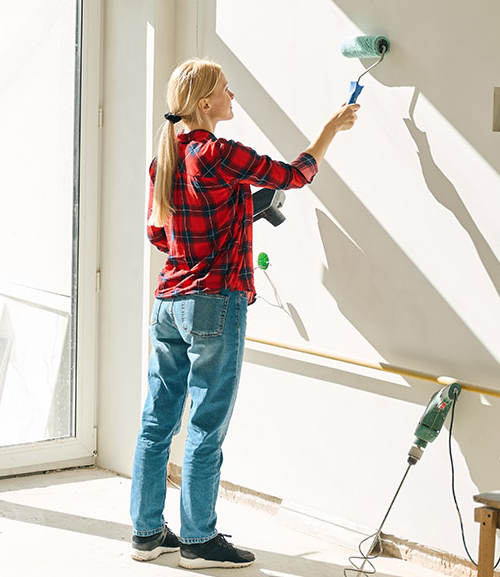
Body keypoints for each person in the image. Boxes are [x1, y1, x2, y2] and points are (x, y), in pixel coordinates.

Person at [129, 59, 359, 569]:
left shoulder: (164, 158)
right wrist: (330, 129)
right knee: (206, 425)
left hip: (169, 302)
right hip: (215, 301)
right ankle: (198, 542)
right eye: (226, 90)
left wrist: (239, 212)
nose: (234, 96)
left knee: (157, 422)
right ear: (206, 103)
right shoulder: (220, 152)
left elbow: (158, 234)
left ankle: (147, 534)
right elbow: (295, 175)